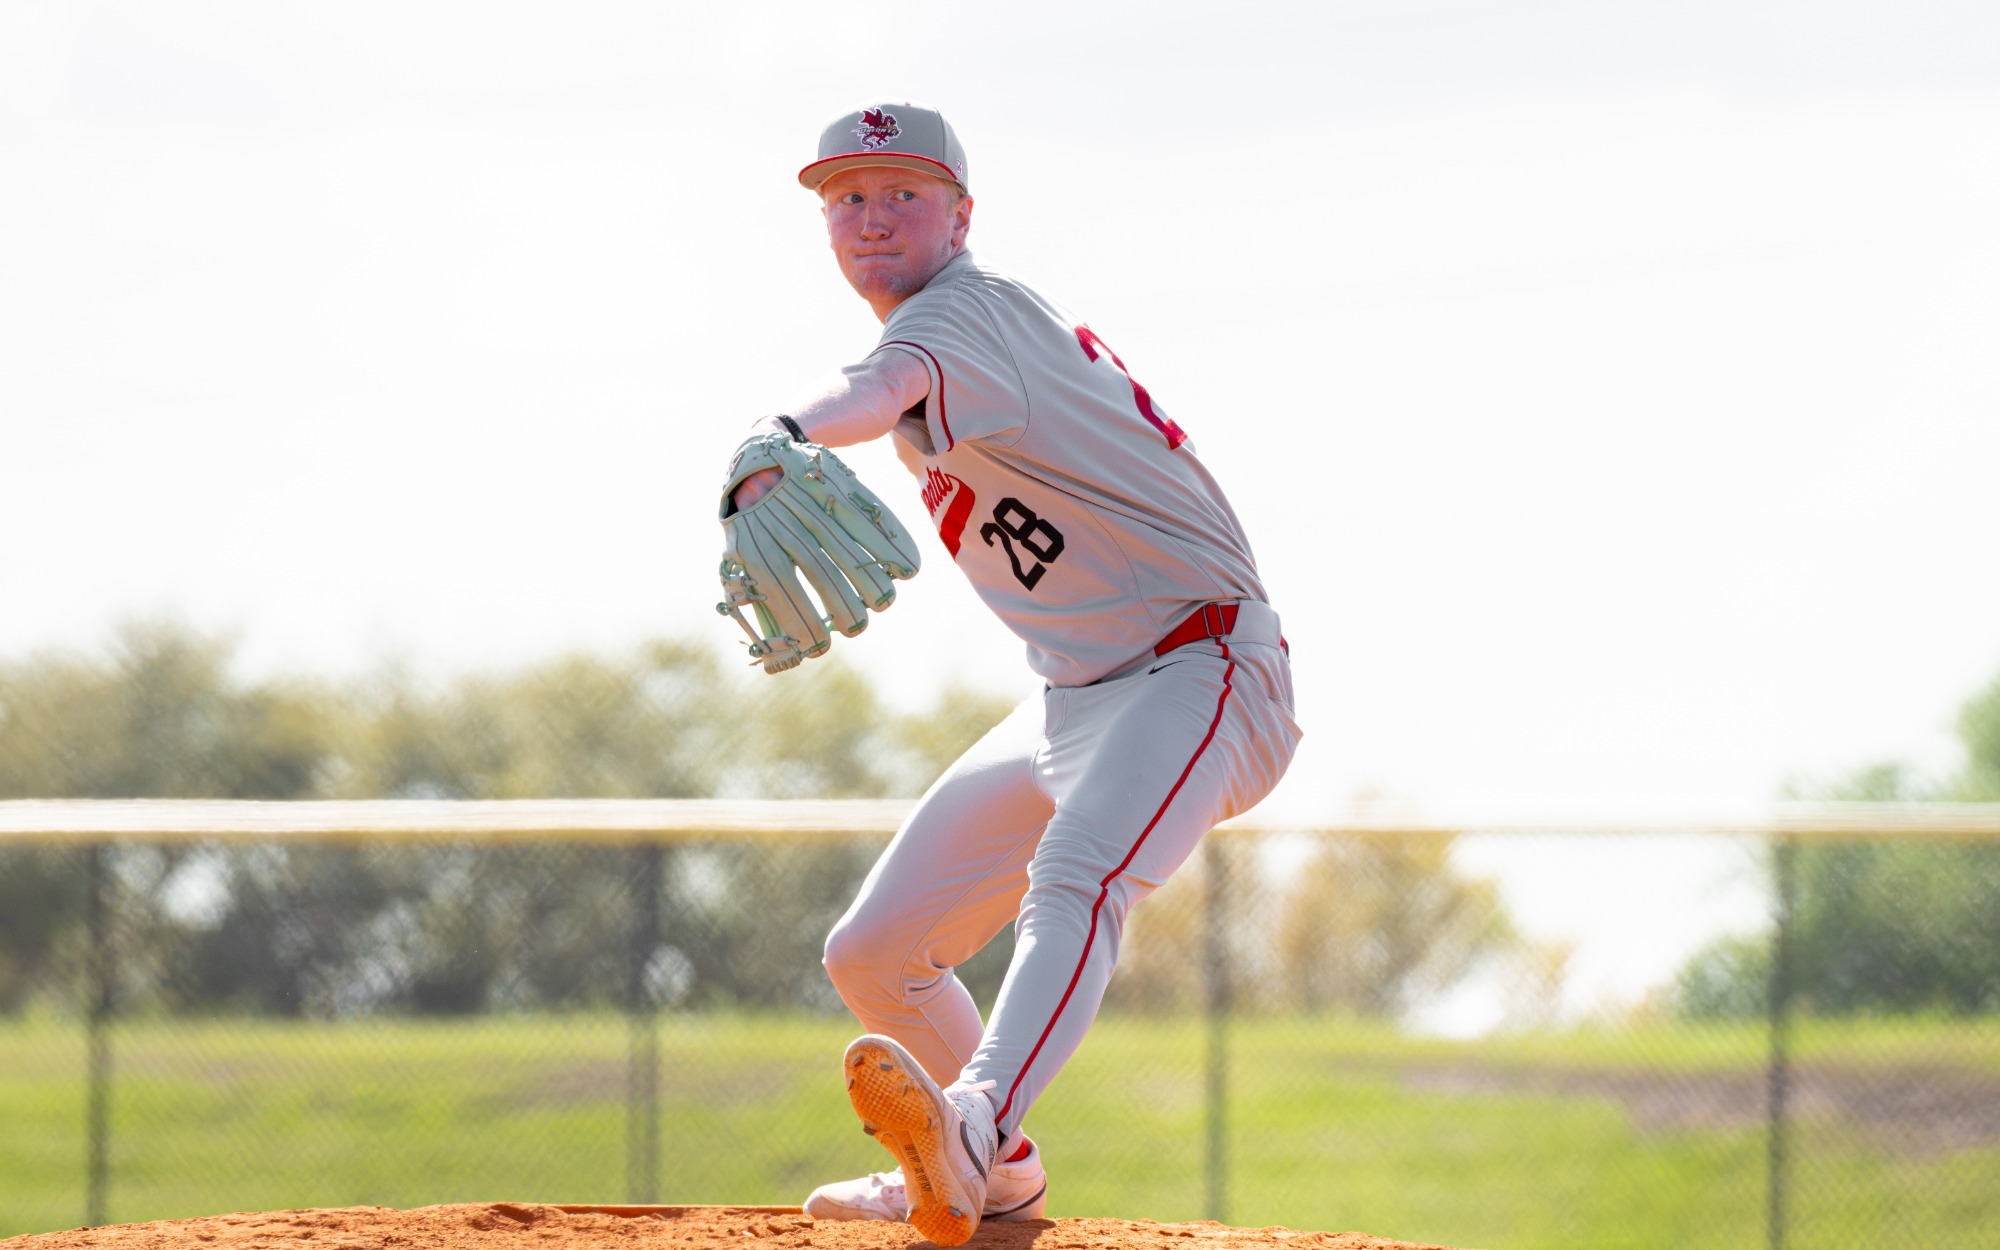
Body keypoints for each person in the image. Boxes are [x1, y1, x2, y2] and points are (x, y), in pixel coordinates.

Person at [721, 100, 1301, 1247]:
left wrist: (783, 427)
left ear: (960, 214)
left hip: (1202, 664)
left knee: (1075, 878)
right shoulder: (944, 331)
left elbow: (878, 391)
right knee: (873, 951)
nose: (871, 217)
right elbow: (895, 389)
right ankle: (1000, 1175)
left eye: (902, 193)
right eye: (847, 198)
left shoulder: (966, 316)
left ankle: (972, 1122)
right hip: (1073, 695)